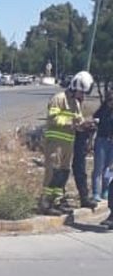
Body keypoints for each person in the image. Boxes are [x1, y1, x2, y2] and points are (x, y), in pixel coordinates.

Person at [38, 71, 95, 215]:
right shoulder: (58, 99)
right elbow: (53, 119)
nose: (83, 96)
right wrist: (72, 123)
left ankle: (57, 202)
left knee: (63, 173)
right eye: (81, 92)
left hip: (67, 145)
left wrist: (86, 125)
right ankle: (46, 203)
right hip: (55, 144)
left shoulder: (75, 103)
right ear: (75, 87)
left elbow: (79, 121)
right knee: (53, 172)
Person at [92, 89, 113, 202]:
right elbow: (95, 119)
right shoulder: (103, 110)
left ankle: (106, 190)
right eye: (110, 99)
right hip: (102, 140)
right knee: (98, 168)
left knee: (109, 169)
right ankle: (96, 192)